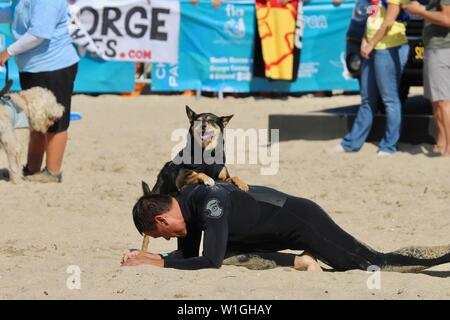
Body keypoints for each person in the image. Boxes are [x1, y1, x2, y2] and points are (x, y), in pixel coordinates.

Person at [122, 181, 450, 272]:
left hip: (302, 220)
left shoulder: (209, 202)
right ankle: (301, 261)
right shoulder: (187, 208)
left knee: (374, 263)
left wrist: (155, 260)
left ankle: (440, 259)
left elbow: (211, 262)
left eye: (158, 234)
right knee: (231, 251)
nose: (164, 238)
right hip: (282, 227)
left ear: (162, 220)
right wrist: (156, 258)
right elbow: (187, 257)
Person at [0, 0, 79, 183]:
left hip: (55, 66)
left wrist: (8, 52)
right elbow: (8, 14)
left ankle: (52, 173)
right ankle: (32, 169)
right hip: (31, 66)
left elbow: (38, 34)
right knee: (36, 121)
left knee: (55, 120)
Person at [330, 0, 411, 156]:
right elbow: (372, 18)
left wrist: (371, 43)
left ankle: (389, 146)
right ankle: (351, 143)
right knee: (367, 99)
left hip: (389, 48)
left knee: (390, 99)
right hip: (373, 47)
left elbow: (389, 21)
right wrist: (364, 40)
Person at [402, 0, 450, 157]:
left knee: (443, 102)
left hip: (442, 49)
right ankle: (442, 143)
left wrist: (420, 11)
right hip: (433, 48)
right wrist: (419, 9)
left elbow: (447, 18)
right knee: (436, 101)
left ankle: (448, 147)